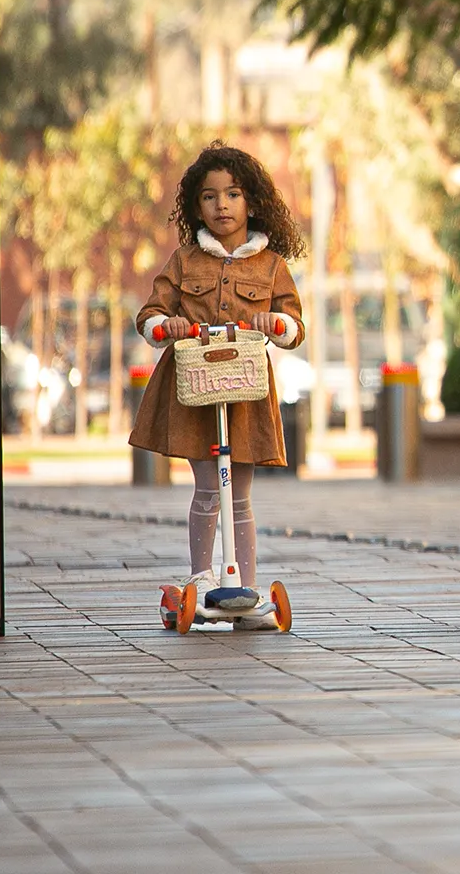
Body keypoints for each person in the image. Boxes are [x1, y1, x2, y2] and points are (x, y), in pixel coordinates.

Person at [132, 142, 307, 631]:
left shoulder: (270, 265)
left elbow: (294, 324)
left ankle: (244, 585)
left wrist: (277, 324)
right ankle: (201, 576)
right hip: (195, 388)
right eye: (209, 197)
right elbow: (150, 314)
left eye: (232, 194)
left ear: (252, 201)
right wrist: (166, 326)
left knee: (241, 492)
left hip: (245, 390)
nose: (222, 205)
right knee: (209, 485)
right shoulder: (185, 261)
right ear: (196, 207)